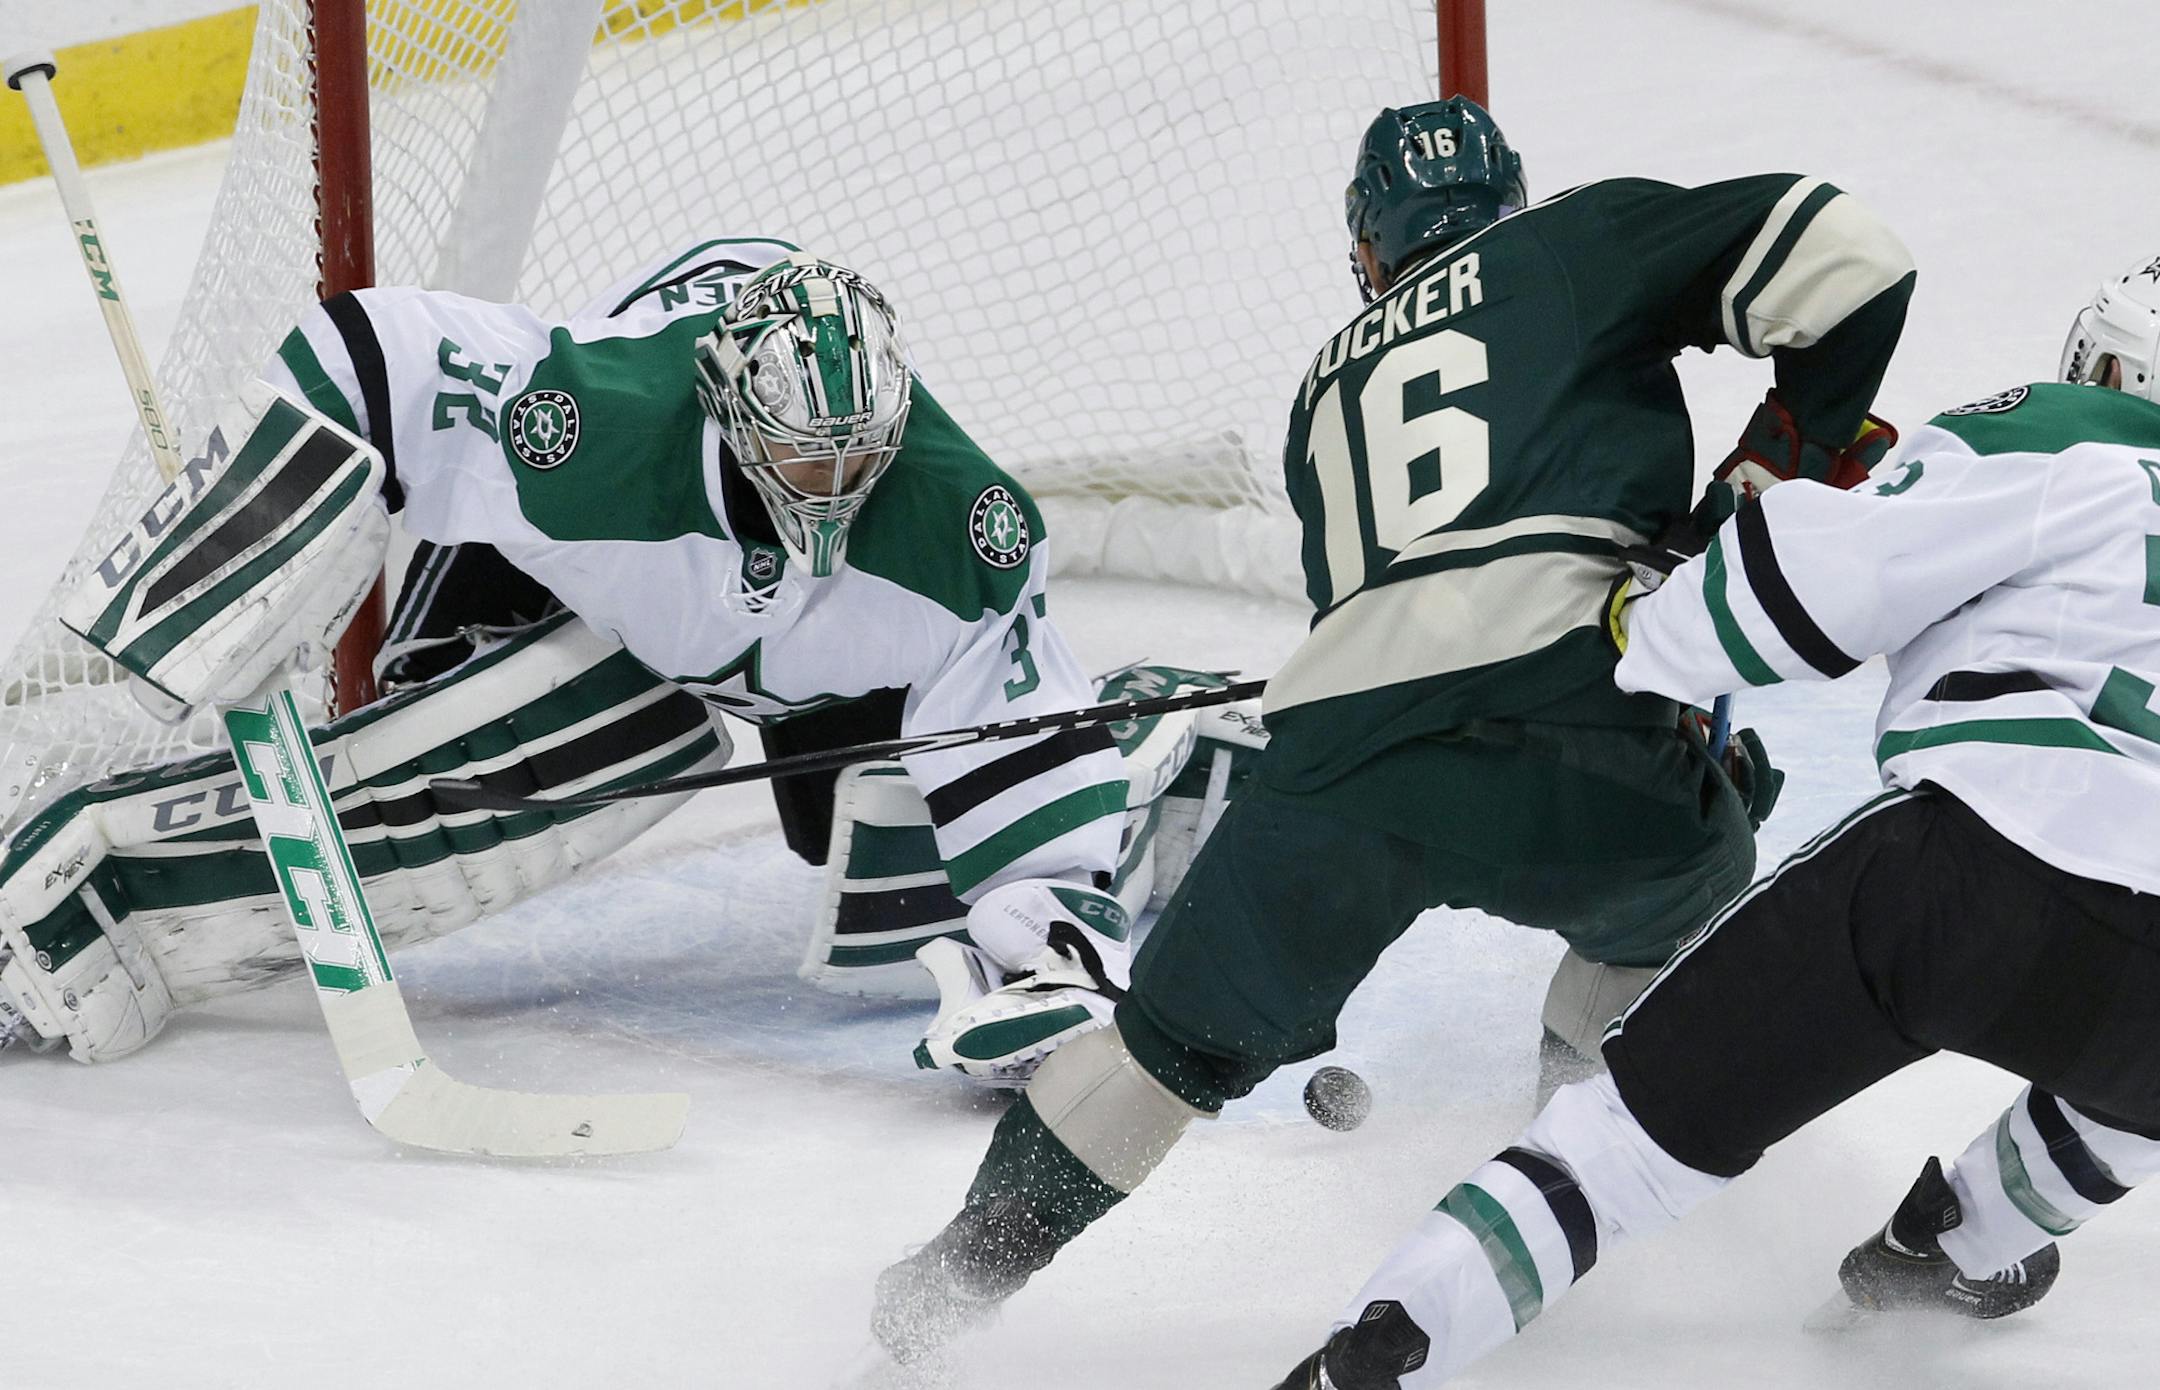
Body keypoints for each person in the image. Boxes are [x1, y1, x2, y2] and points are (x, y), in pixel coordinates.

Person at [865, 96, 1917, 1364]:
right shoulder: (1577, 244)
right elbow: (1853, 256)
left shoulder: (1325, 390)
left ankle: (941, 1294)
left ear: (1367, 252)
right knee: (1689, 878)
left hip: (1343, 758)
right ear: (1513, 198)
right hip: (1582, 717)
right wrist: (1760, 482)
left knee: (1163, 1051)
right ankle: (1551, 1206)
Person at [1266, 255, 2160, 1388]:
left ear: (2118, 362)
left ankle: (1380, 1351)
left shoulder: (2064, 431)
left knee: (1624, 1151)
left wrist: (1646, 627)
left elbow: (1814, 586)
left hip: (1966, 873)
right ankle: (1949, 1250)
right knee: (2130, 1089)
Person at [0, 243, 1149, 1084]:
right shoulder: (585, 420)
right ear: (736, 417)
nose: (833, 489)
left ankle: (1144, 744)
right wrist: (233, 541)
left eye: (858, 460)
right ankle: (82, 907)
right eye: (803, 459)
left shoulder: (960, 523)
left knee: (875, 842)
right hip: (594, 576)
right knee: (522, 747)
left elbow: (1012, 713)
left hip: (812, 670)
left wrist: (1052, 948)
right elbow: (364, 350)